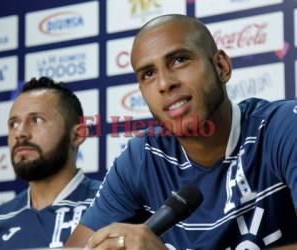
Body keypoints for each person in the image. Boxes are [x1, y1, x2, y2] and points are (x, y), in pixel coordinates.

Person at [66, 14, 297, 249]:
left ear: (221, 67)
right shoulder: (143, 158)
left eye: (179, 60)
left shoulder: (283, 127)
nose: (165, 83)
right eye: (148, 74)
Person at [0, 77, 100, 249]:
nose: (20, 133)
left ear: (77, 135)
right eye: (13, 124)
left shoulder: (112, 207)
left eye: (36, 120)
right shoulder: (0, 218)